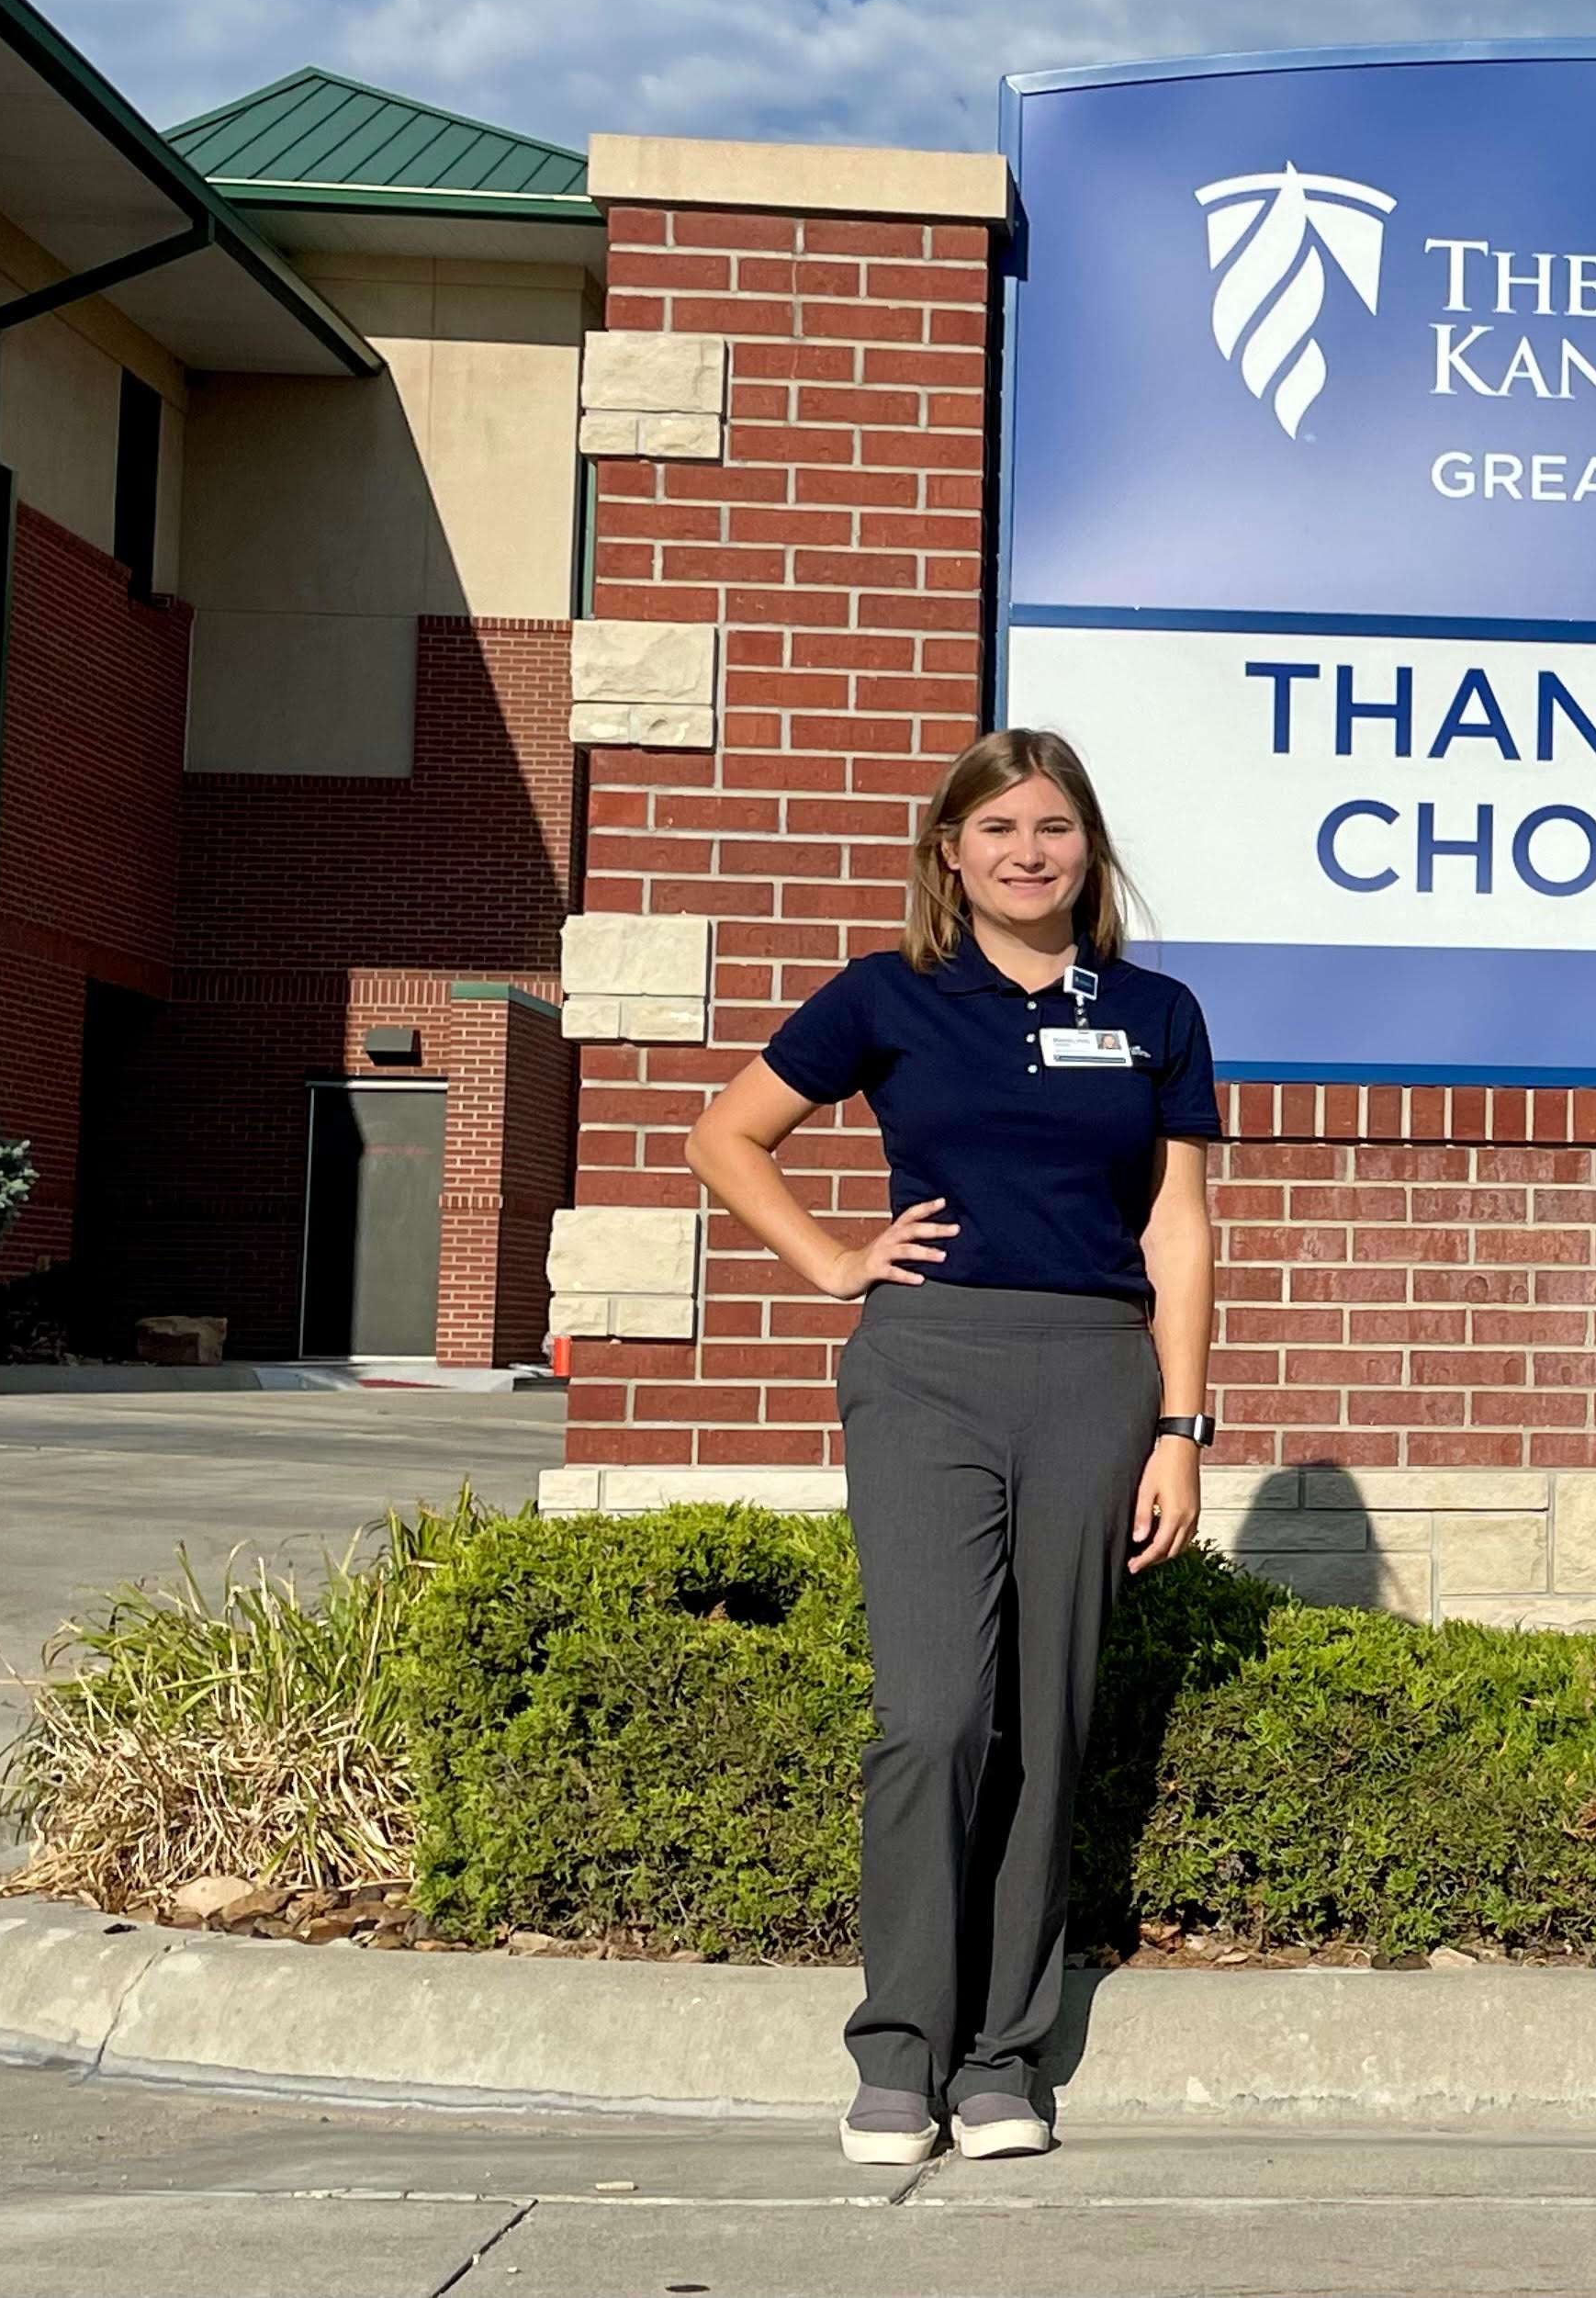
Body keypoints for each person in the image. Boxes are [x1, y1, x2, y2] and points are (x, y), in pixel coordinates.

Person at [687, 728, 1219, 2165]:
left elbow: (1176, 1227)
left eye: (1052, 827)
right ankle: (897, 2046)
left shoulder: (1156, 1010)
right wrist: (828, 1259)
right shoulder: (888, 995)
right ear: (951, 853)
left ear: (1086, 849)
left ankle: (999, 2057)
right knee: (934, 1714)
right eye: (997, 831)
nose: (1027, 852)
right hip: (927, 1370)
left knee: (1046, 1722)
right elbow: (726, 1135)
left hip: (1097, 1374)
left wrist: (1180, 1427)